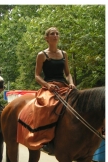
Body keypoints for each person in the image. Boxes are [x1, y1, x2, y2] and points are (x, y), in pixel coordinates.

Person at [34, 26, 76, 154]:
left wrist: (71, 83)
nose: (55, 35)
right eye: (52, 33)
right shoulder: (42, 55)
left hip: (63, 85)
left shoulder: (64, 54)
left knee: (77, 103)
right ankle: (46, 139)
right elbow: (36, 75)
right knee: (48, 105)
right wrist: (47, 85)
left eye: (57, 33)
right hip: (49, 86)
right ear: (47, 38)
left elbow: (67, 74)